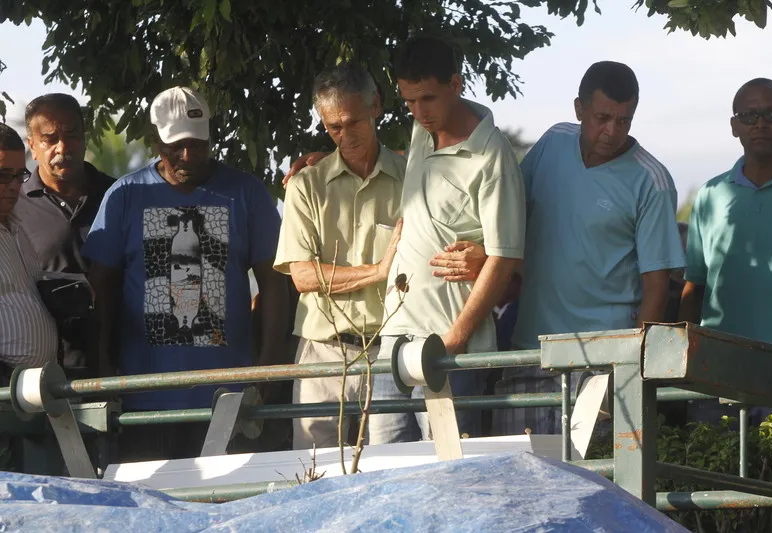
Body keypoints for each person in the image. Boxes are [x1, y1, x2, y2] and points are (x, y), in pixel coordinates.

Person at [82, 86, 288, 460]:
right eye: (175, 145)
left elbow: (274, 283)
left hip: (228, 395)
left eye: (198, 143)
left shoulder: (247, 193)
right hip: (146, 399)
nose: (188, 155)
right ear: (154, 138)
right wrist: (103, 369)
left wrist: (268, 368)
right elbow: (103, 289)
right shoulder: (125, 195)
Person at [488, 61, 685, 436]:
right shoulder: (551, 143)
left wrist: (630, 369)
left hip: (602, 361)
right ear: (579, 109)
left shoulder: (652, 180)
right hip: (531, 348)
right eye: (602, 117)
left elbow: (657, 285)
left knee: (594, 482)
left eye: (624, 120)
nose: (612, 130)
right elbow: (508, 217)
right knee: (520, 483)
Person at [367, 35, 525, 444]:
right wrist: (324, 161)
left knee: (452, 483)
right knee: (383, 480)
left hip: (451, 352)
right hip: (393, 342)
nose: (419, 112)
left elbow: (504, 259)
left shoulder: (493, 156)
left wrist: (453, 340)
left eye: (428, 99)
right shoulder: (422, 132)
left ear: (456, 85)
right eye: (409, 102)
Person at [274, 63, 405, 450]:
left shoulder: (413, 176)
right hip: (322, 349)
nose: (343, 136)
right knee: (314, 474)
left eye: (351, 122)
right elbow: (303, 277)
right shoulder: (305, 185)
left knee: (389, 472)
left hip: (390, 348)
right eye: (333, 127)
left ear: (376, 106)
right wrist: (378, 272)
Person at [679, 78, 772, 425]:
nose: (760, 123)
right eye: (748, 115)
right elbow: (695, 286)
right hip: (719, 370)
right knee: (715, 478)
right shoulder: (711, 195)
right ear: (735, 126)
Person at [13, 93, 115, 372]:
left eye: (71, 134)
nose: (62, 147)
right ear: (32, 146)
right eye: (49, 139)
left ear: (84, 136)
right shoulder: (12, 205)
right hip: (42, 376)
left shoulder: (117, 196)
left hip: (117, 368)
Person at [0, 123, 58, 380]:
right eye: (3, 175)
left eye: (19, 175)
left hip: (31, 389)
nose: (14, 186)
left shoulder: (15, 229)